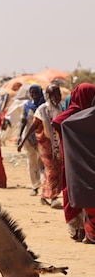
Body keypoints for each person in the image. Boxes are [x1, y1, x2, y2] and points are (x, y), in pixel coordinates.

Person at [52, 83, 95, 243]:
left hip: (79, 163)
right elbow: (59, 124)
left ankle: (87, 232)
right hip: (72, 163)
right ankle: (78, 230)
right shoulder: (72, 116)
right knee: (76, 194)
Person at [18, 85, 63, 208]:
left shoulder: (60, 108)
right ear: (49, 95)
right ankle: (54, 197)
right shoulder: (42, 109)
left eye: (59, 93)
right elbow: (34, 126)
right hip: (45, 145)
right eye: (56, 94)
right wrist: (22, 140)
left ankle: (44, 196)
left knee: (56, 170)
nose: (59, 96)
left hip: (57, 144)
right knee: (51, 169)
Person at [18, 85, 46, 196]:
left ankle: (45, 186)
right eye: (32, 93)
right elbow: (23, 122)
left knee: (43, 163)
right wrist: (20, 137)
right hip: (29, 139)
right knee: (32, 162)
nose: (34, 95)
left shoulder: (44, 106)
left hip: (43, 138)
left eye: (36, 93)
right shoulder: (26, 106)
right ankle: (35, 186)